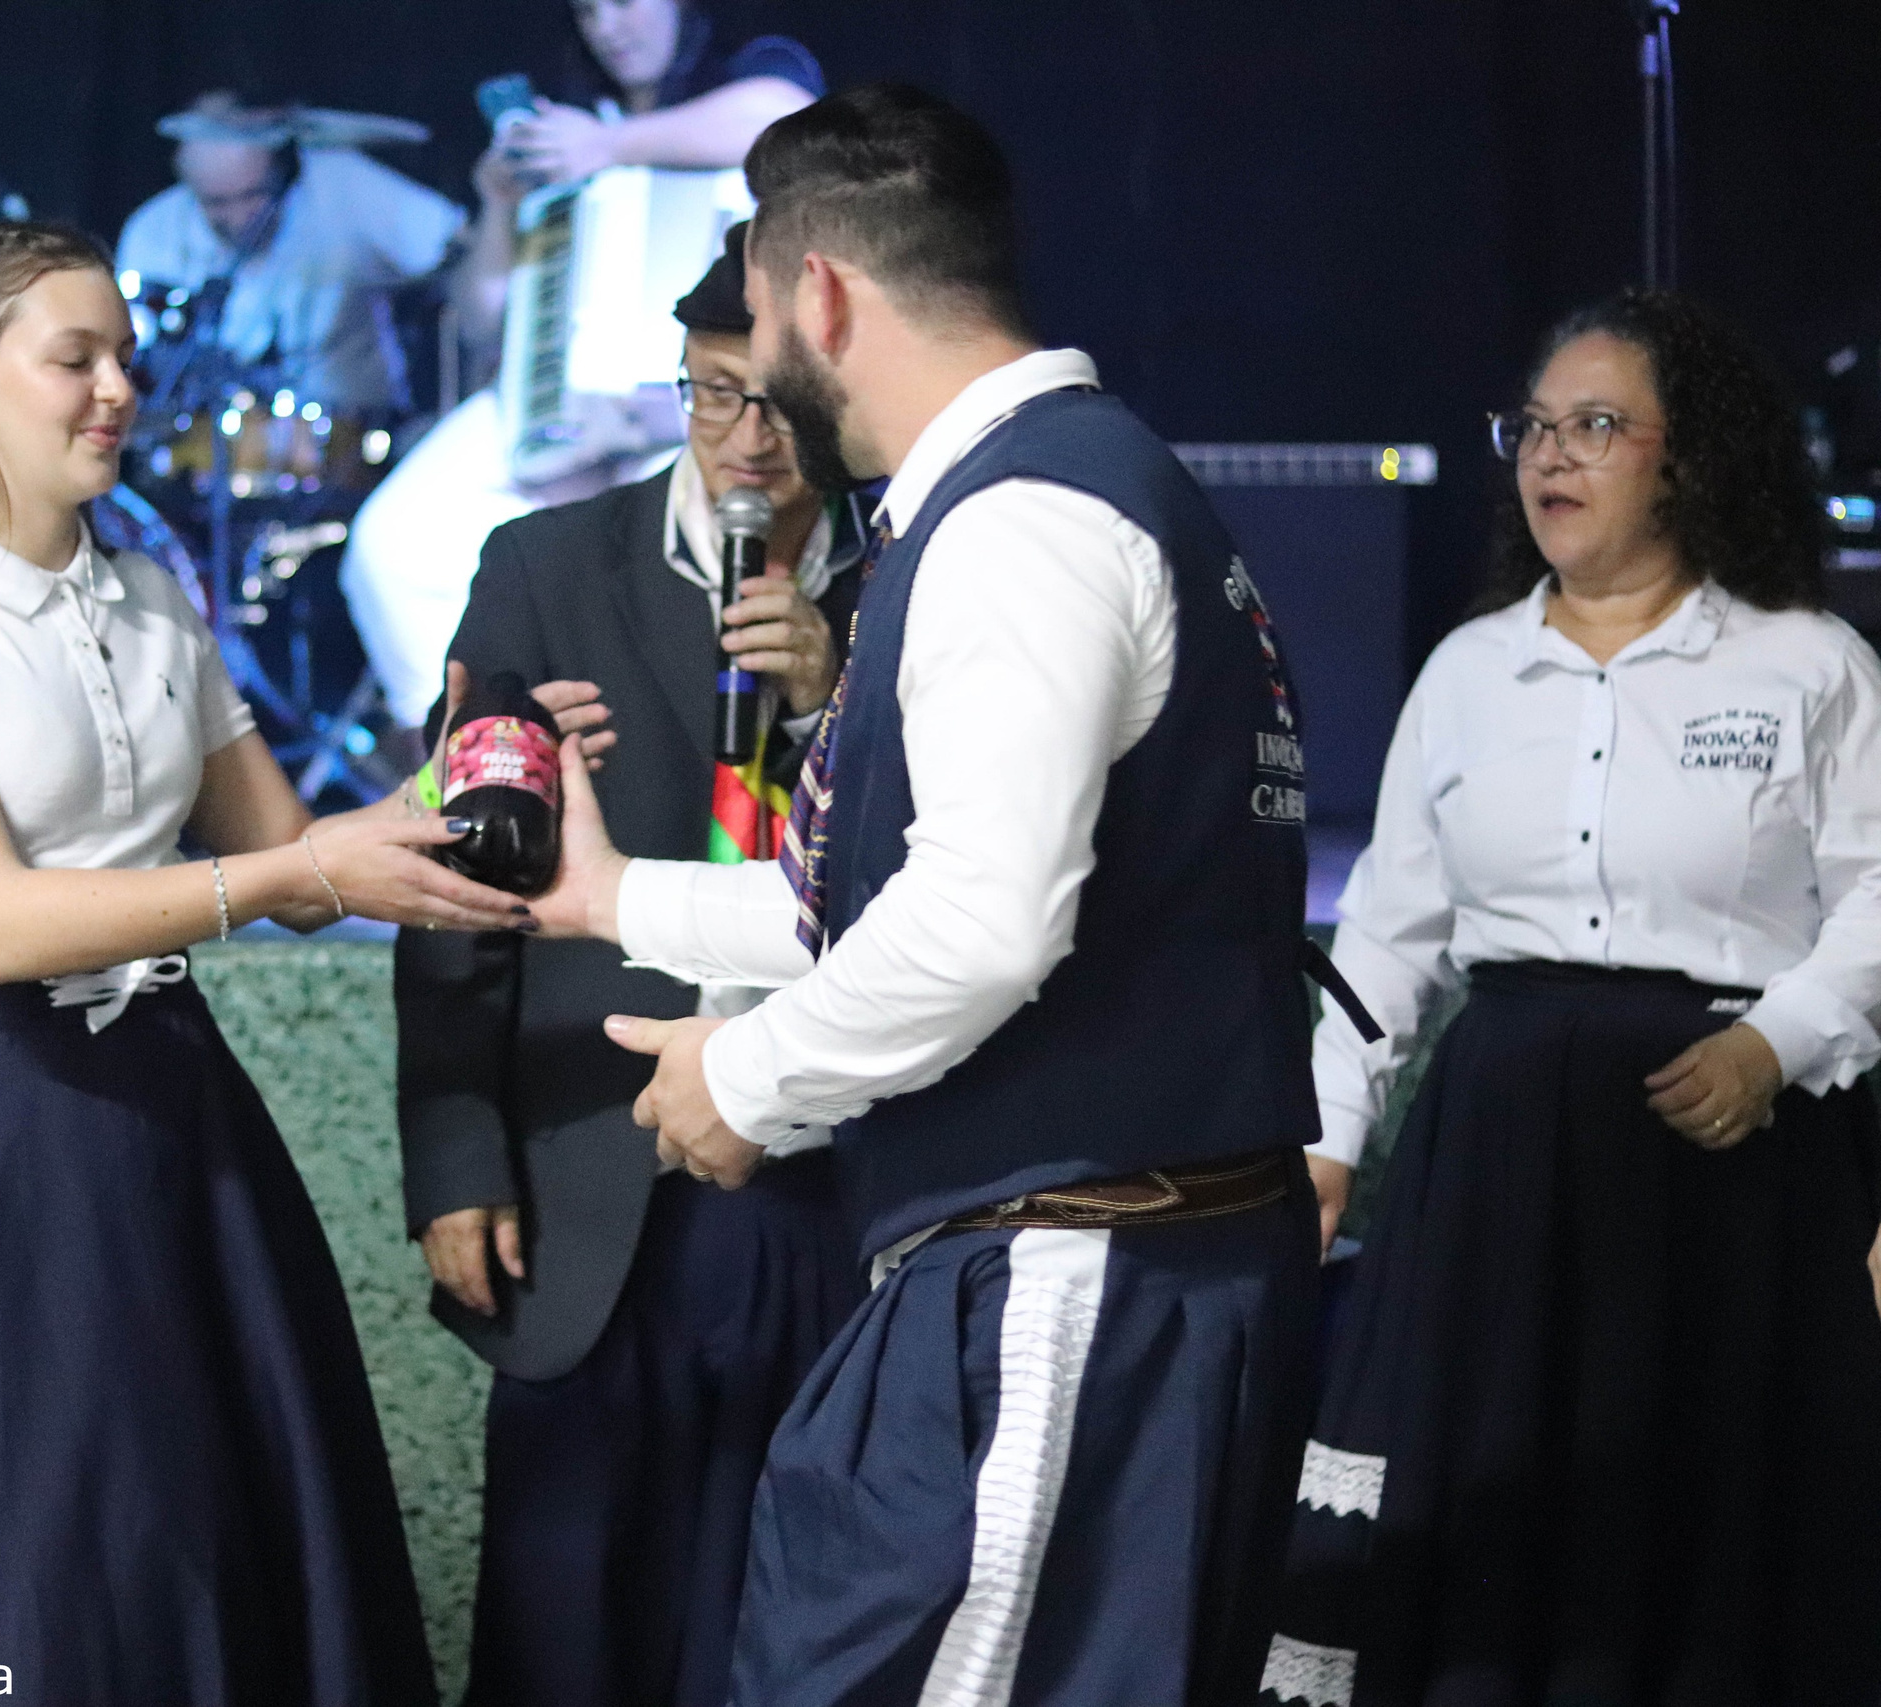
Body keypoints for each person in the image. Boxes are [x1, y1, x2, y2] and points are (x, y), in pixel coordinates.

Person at [528, 87, 1326, 1705]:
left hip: (1069, 1270)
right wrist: (614, 897)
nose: (755, 366)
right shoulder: (1061, 490)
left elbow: (980, 923)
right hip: (1082, 1267)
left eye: (755, 308)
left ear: (819, 293)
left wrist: (740, 1077)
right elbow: (900, 892)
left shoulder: (1022, 522)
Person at [0, 220, 551, 1704]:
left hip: (174, 1126)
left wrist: (474, 777)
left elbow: (290, 849)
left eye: (124, 362)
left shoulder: (151, 594)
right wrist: (295, 871)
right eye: (73, 359)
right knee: (28, 1566)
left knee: (194, 1551)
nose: (116, 391)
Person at [1258, 291, 1881, 1707]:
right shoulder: (1475, 669)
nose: (1554, 454)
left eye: (1598, 425)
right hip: (1506, 1152)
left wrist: (1774, 1045)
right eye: (1534, 427)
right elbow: (1390, 932)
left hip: (1729, 1151)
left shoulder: (1805, 665)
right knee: (1487, 1513)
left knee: (1702, 1533)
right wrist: (1329, 1136)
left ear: (1691, 458)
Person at [397, 225, 867, 1707]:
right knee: (566, 1622)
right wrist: (455, 1150)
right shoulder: (546, 564)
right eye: (708, 394)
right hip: (589, 1154)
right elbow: (451, 874)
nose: (743, 440)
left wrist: (839, 695)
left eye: (776, 406)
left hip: (824, 1171)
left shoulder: (918, 579)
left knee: (780, 1614)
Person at [340, 0, 824, 734]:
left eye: (628, 2)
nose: (610, 25)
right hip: (551, 399)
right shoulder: (561, 120)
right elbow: (481, 314)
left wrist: (612, 144)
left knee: (671, 559)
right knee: (394, 542)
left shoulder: (742, 76)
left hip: (690, 407)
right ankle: (469, 747)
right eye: (591, 10)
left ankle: (659, 764)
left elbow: (788, 116)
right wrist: (497, 202)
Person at [115, 92, 464, 418]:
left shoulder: (341, 184)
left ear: (284, 172)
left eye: (254, 196)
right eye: (216, 203)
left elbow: (457, 247)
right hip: (196, 447)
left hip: (354, 441)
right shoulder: (152, 232)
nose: (239, 217)